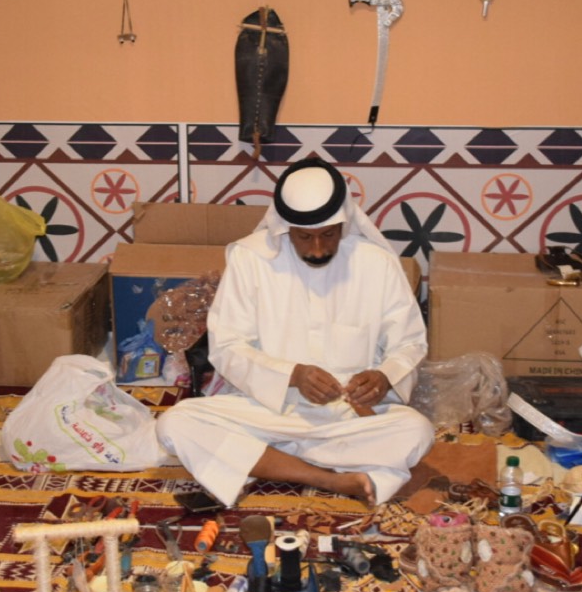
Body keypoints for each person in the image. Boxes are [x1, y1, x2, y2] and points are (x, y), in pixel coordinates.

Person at [156, 156, 434, 508]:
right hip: (267, 410)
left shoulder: (376, 263)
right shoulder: (250, 259)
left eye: (328, 234)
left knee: (417, 432)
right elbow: (227, 347)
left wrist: (384, 376)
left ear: (343, 223)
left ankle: (262, 459)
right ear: (286, 228)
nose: (317, 249)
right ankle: (327, 477)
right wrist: (292, 375)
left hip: (346, 417)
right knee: (175, 424)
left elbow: (409, 342)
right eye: (304, 237)